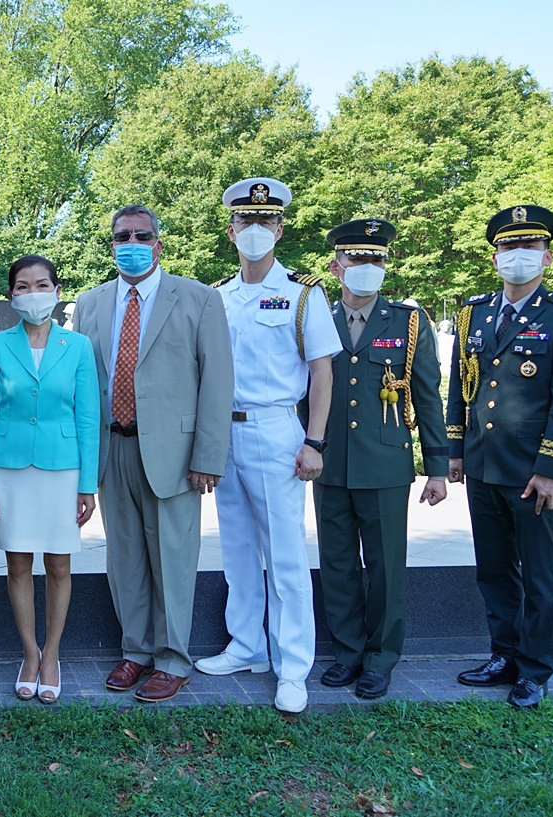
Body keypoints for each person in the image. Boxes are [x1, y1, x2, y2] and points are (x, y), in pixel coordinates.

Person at [73, 204, 232, 703]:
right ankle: (136, 651)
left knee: (174, 560)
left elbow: (218, 382)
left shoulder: (199, 299)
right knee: (123, 561)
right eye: (123, 235)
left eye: (143, 235)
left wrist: (208, 455)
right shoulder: (90, 304)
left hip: (175, 453)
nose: (133, 243)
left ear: (159, 243)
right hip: (112, 447)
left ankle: (172, 659)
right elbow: (81, 385)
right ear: (112, 242)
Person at [195, 177, 340, 715]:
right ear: (231, 228)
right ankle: (248, 646)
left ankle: (293, 666)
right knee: (235, 549)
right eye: (245, 221)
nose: (255, 231)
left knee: (283, 556)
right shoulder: (216, 296)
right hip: (223, 432)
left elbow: (321, 371)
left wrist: (315, 440)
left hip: (278, 431)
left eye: (265, 221)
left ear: (279, 228)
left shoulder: (304, 294)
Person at [447, 204, 553, 709]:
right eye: (508, 247)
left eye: (528, 247)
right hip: (484, 464)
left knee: (538, 571)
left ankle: (535, 668)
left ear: (547, 256)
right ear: (495, 257)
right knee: (493, 568)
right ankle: (503, 654)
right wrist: (456, 449)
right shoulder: (475, 314)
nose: (518, 256)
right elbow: (460, 388)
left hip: (532, 471)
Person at [312, 219, 448, 700]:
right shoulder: (316, 318)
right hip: (330, 462)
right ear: (337, 266)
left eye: (376, 259)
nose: (367, 267)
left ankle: (381, 658)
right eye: (356, 258)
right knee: (338, 562)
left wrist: (437, 465)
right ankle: (347, 653)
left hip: (386, 461)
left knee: (386, 566)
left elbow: (428, 395)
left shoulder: (409, 322)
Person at [0, 255, 100, 704]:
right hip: (8, 469)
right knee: (19, 562)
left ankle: (53, 656)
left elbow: (88, 417)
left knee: (60, 565)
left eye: (41, 284)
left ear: (57, 289)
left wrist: (89, 484)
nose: (33, 293)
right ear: (12, 295)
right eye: (22, 286)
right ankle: (29, 653)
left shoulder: (78, 346)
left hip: (63, 468)